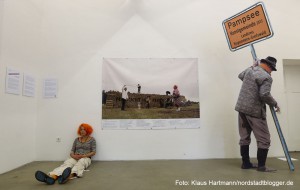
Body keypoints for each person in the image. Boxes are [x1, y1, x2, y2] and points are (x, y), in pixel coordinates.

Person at [235, 56, 280, 172]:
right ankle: (261, 166)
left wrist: (252, 66)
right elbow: (264, 94)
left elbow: (240, 75)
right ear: (269, 66)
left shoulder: (251, 70)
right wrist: (275, 103)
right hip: (254, 111)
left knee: (244, 137)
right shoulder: (267, 77)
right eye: (272, 69)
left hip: (242, 108)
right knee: (264, 139)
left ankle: (246, 164)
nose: (271, 72)